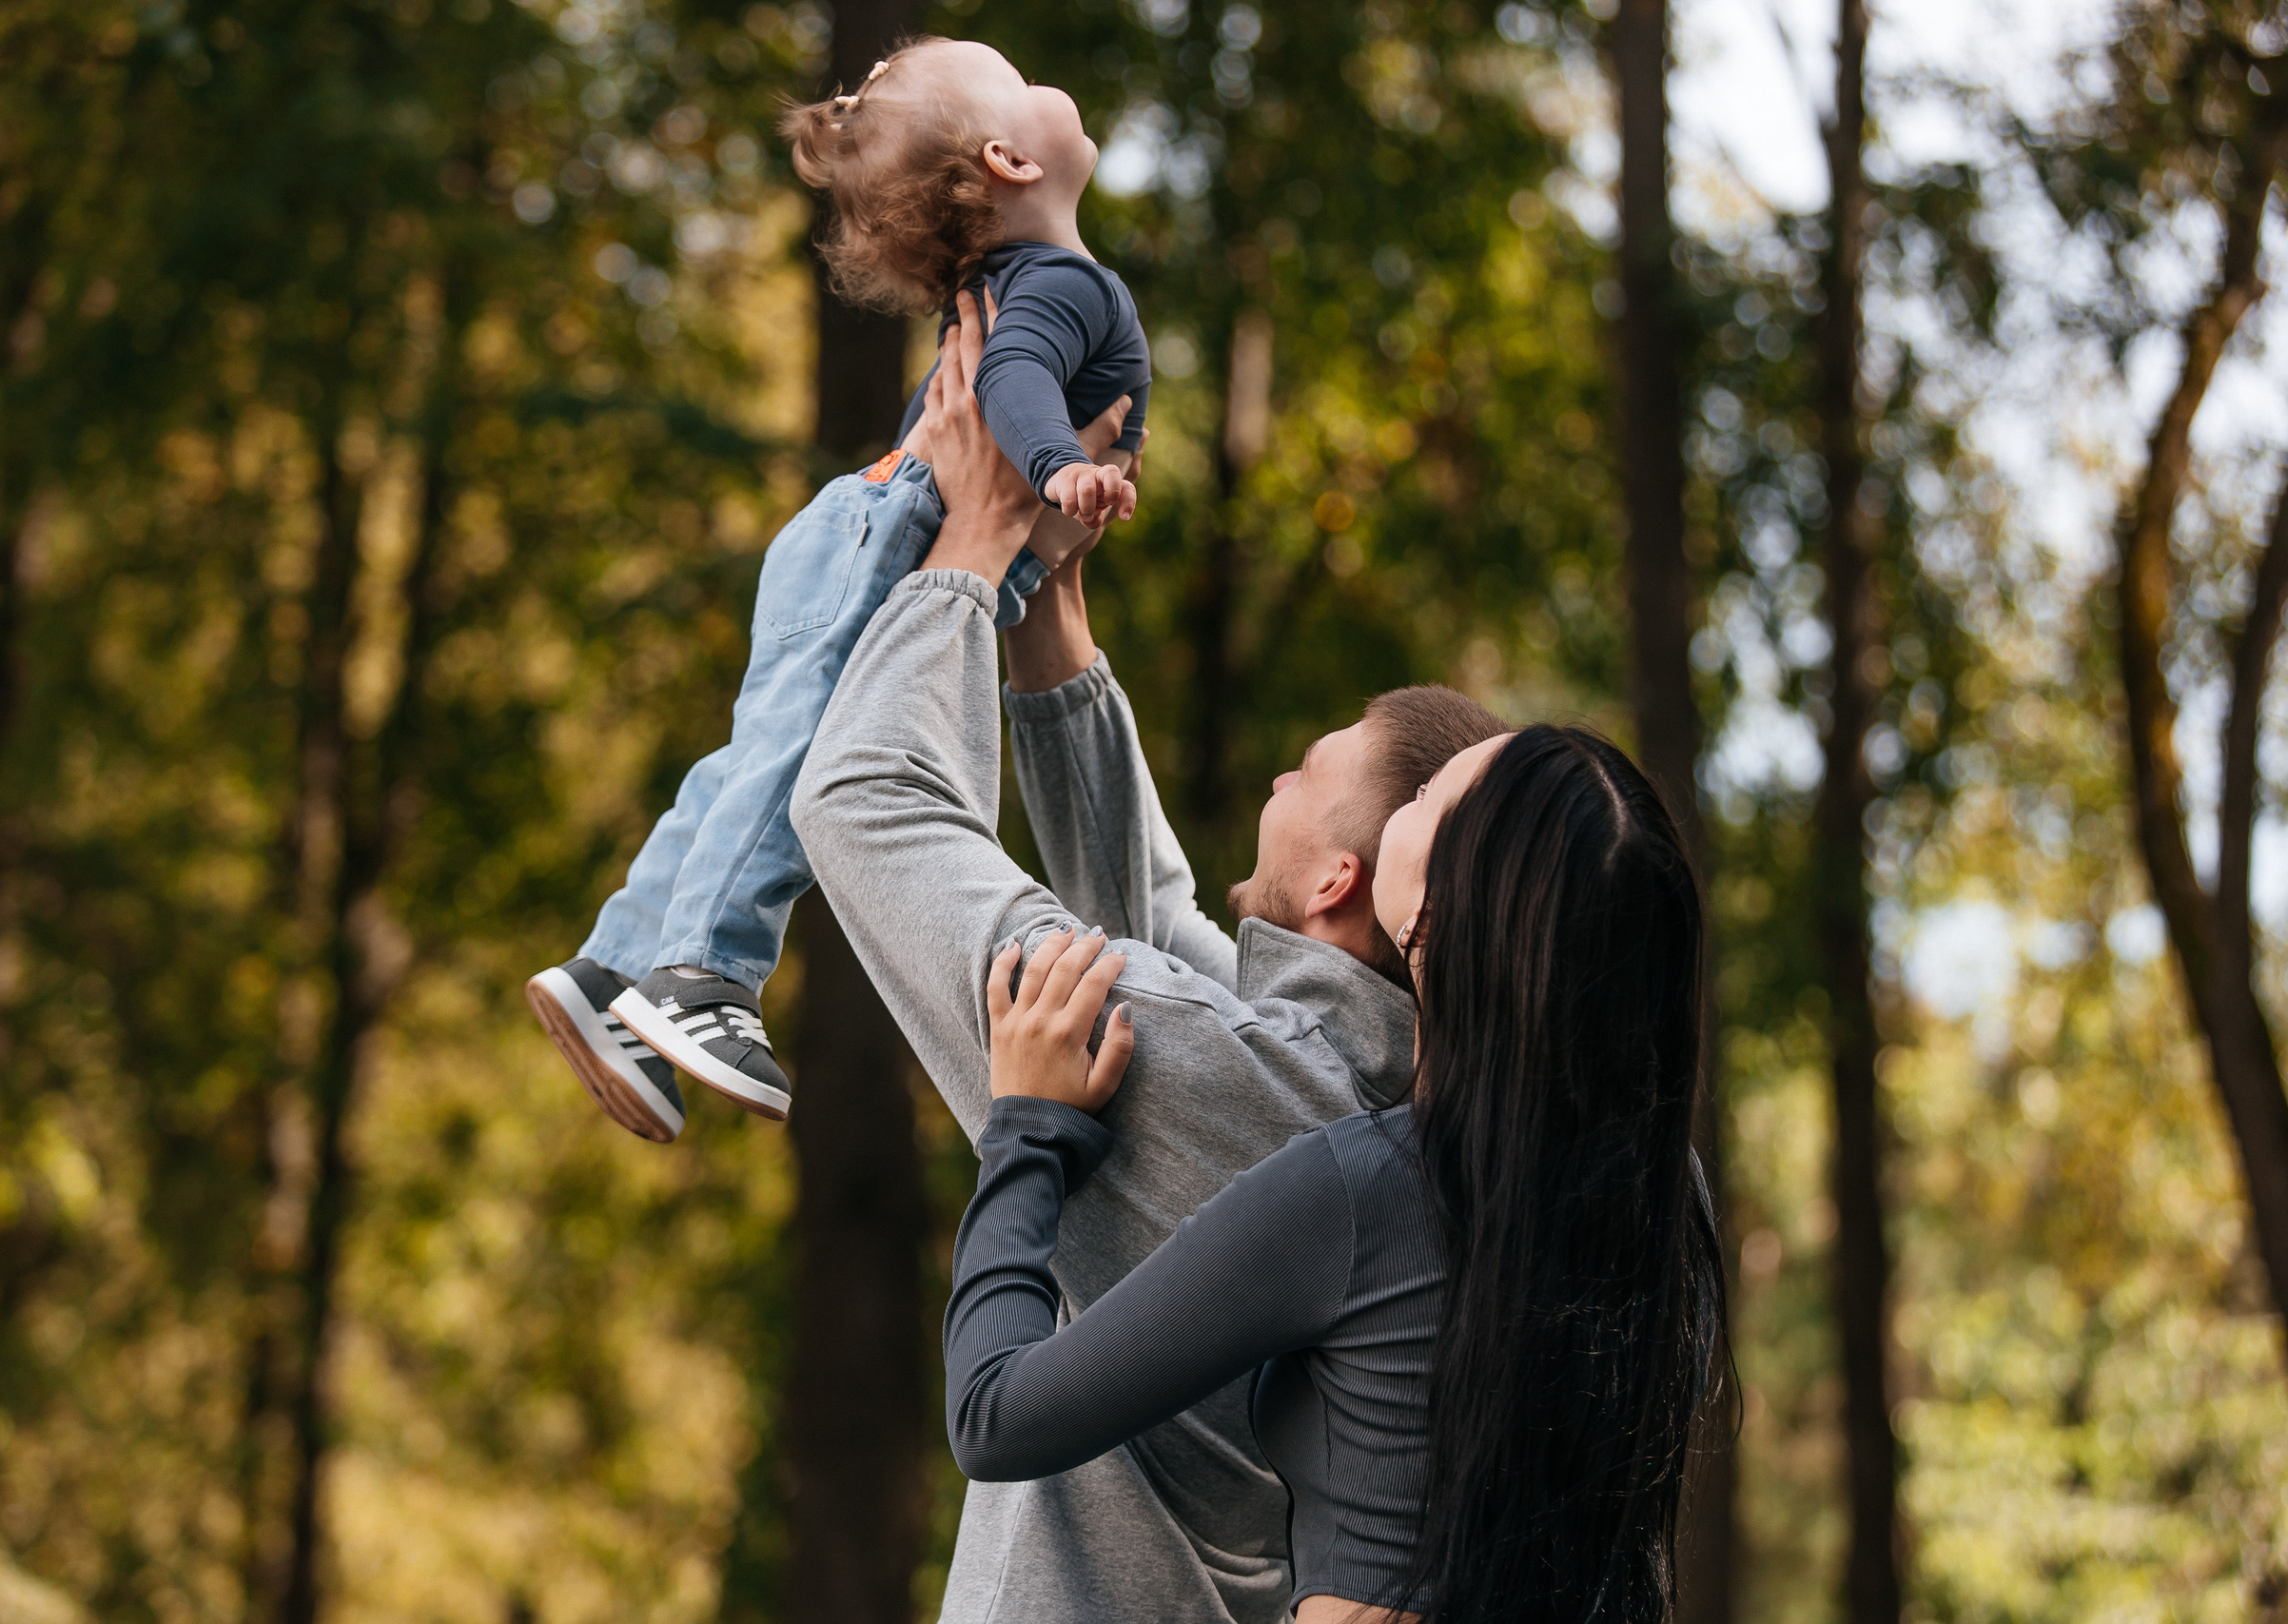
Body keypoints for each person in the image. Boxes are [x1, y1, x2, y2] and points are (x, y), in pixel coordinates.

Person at [786, 296, 1506, 1623]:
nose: (1280, 776)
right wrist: (1048, 595)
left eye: (1307, 772)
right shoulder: (1367, 1096)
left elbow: (866, 801)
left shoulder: (1241, 1089)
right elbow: (1149, 924)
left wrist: (973, 537)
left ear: (1340, 880)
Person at [945, 718, 1728, 1624]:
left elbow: (996, 1416)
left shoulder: (1360, 1192)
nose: (1404, 803)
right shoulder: (1671, 1208)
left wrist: (1027, 1128)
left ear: (1428, 915)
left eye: (1427, 799)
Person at [526, 35, 1150, 1137]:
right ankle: (705, 975)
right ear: (1009, 159)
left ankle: (615, 969)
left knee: (756, 755)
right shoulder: (1063, 284)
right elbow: (1011, 379)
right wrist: (1058, 466)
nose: (1048, 81)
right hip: (891, 532)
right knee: (796, 757)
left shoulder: (1021, 283)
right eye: (1017, 78)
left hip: (857, 525)